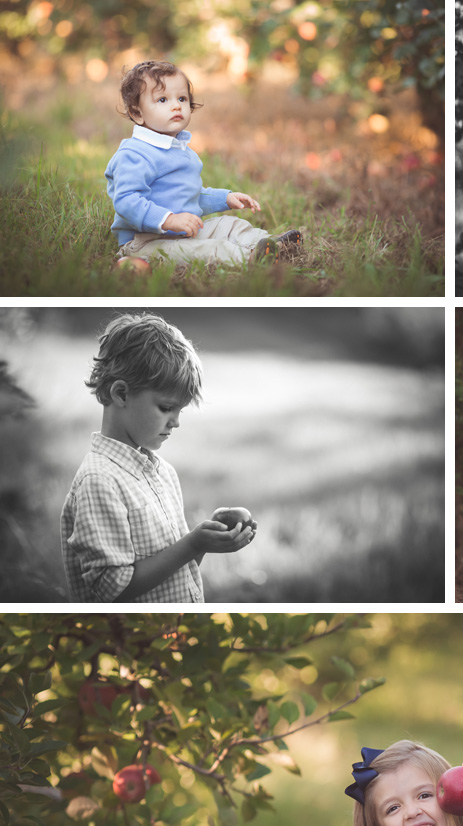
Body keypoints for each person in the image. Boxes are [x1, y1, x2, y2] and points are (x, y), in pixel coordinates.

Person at [60, 312, 257, 603]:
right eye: (166, 408)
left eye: (180, 411)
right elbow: (114, 590)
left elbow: (175, 574)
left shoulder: (162, 473)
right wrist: (191, 544)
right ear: (121, 394)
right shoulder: (99, 482)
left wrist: (203, 542)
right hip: (134, 639)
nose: (176, 422)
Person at [105, 60, 303, 268]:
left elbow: (191, 196)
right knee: (207, 250)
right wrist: (169, 219)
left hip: (184, 233)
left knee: (230, 225)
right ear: (138, 113)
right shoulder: (135, 154)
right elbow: (127, 201)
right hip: (145, 241)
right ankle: (251, 258)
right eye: (162, 99)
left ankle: (270, 244)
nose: (176, 105)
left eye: (182, 98)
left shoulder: (181, 151)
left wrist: (225, 198)